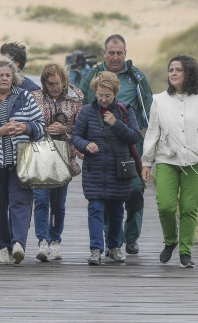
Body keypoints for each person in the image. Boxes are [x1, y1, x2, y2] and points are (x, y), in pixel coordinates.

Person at [140, 55, 198, 268]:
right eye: (170, 70)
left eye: (178, 70)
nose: (174, 74)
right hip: (167, 160)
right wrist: (146, 162)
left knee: (189, 208)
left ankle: (185, 252)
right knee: (166, 207)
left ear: (188, 73)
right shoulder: (159, 100)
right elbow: (152, 133)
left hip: (196, 162)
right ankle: (170, 241)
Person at [79, 34, 152, 255]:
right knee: (104, 193)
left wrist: (144, 137)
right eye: (111, 52)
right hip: (99, 147)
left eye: (119, 53)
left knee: (135, 191)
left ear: (125, 54)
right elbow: (81, 107)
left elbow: (147, 105)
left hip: (130, 144)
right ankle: (112, 240)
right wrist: (81, 144)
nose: (115, 57)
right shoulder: (92, 76)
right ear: (104, 53)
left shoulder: (135, 77)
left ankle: (131, 237)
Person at [72, 71, 141, 265]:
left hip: (118, 171)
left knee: (117, 210)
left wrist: (116, 124)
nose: (103, 99)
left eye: (107, 95)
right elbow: (76, 136)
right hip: (94, 170)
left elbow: (134, 137)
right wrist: (85, 145)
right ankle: (95, 250)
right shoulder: (86, 111)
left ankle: (115, 247)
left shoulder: (125, 110)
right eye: (100, 95)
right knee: (95, 209)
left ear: (115, 93)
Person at [0, 55, 45, 264]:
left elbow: (41, 125)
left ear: (14, 77)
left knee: (21, 202)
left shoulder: (24, 96)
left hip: (22, 161)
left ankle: (18, 243)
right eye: (0, 75)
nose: (4, 78)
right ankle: (2, 245)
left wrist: (25, 127)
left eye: (8, 75)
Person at [30, 63, 84, 262]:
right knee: (41, 201)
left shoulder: (75, 101)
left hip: (63, 158)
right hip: (40, 156)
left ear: (64, 82)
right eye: (49, 83)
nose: (54, 87)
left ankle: (56, 241)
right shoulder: (34, 98)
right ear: (44, 83)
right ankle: (42, 241)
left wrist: (65, 131)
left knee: (58, 204)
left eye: (57, 83)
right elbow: (29, 124)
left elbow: (81, 130)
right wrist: (42, 130)